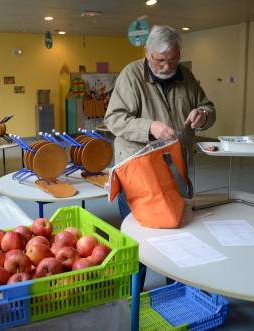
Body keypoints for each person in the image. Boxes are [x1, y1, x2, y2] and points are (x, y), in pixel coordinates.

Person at [104, 25, 216, 290]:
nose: (166, 66)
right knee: (138, 236)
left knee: (177, 230)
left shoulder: (186, 75)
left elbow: (208, 106)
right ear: (147, 53)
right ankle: (132, 292)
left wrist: (203, 114)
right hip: (138, 169)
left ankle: (175, 290)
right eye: (160, 60)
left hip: (176, 168)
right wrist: (149, 127)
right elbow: (113, 119)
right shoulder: (131, 75)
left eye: (172, 60)